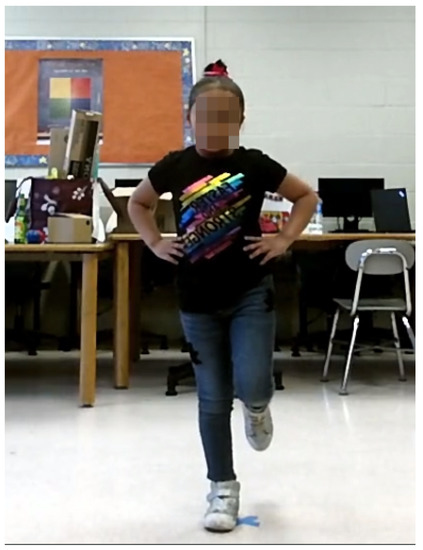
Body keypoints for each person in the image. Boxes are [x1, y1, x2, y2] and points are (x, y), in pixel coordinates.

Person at [128, 59, 318, 533]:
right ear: (189, 118)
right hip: (197, 300)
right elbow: (138, 202)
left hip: (251, 293)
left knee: (252, 383)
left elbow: (306, 197)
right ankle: (222, 488)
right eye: (205, 117)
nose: (214, 126)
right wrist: (154, 242)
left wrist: (283, 239)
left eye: (225, 118)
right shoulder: (175, 166)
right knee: (212, 398)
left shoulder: (254, 164)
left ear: (240, 120)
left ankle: (257, 407)